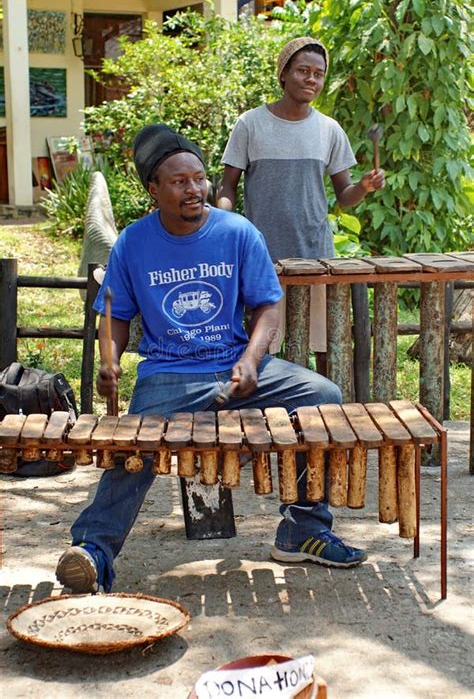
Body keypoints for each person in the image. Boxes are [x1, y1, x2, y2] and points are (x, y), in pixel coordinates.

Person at [55, 124, 367, 595]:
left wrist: (250, 359)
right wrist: (109, 360)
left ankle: (303, 527)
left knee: (323, 395)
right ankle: (93, 551)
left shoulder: (238, 231)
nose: (194, 189)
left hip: (237, 368)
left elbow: (267, 306)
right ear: (153, 189)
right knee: (134, 447)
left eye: (199, 178)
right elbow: (115, 315)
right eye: (179, 181)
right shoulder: (134, 243)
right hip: (169, 375)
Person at [218, 36, 385, 373]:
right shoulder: (250, 124)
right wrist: (221, 226)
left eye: (319, 74)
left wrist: (364, 186)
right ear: (283, 75)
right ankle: (266, 413)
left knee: (321, 342)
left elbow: (344, 196)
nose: (312, 79)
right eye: (303, 71)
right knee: (263, 342)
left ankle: (321, 413)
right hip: (261, 253)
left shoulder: (329, 130)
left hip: (315, 252)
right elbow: (228, 185)